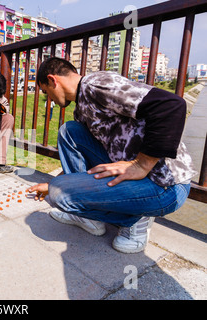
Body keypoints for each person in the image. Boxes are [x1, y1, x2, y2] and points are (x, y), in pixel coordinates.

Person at [28, 57, 196, 254]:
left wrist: (141, 165)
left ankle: (137, 218)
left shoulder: (96, 85)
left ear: (52, 80)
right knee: (70, 131)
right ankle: (90, 218)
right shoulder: (82, 107)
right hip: (130, 174)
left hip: (165, 185)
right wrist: (53, 183)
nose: (49, 98)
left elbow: (171, 106)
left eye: (46, 91)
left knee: (61, 196)